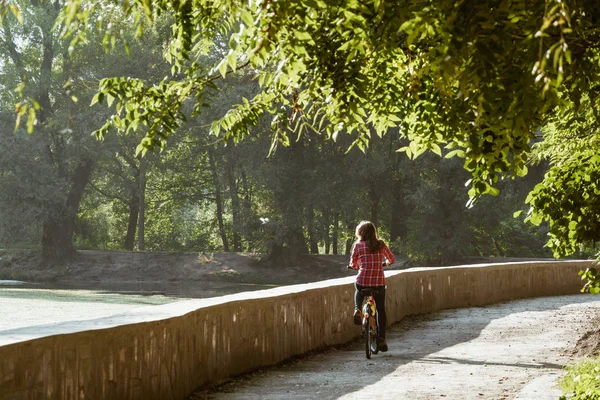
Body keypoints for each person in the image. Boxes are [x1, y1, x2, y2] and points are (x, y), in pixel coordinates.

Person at [348, 220, 395, 352]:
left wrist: (356, 266)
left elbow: (353, 263)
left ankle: (357, 308)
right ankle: (381, 338)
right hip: (379, 283)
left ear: (360, 233)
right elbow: (392, 259)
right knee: (380, 309)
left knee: (357, 286)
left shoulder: (358, 246)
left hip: (363, 281)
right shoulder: (380, 244)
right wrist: (384, 264)